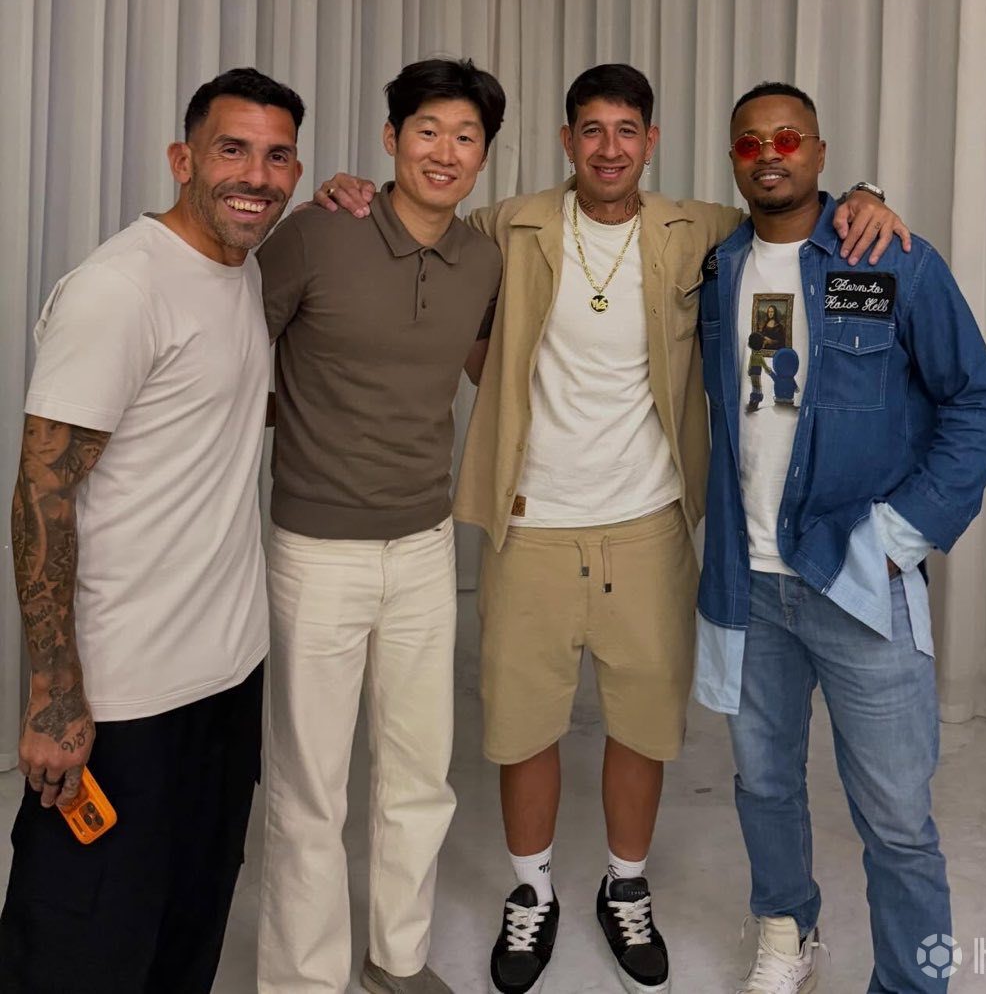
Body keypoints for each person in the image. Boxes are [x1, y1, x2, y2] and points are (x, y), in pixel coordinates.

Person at [316, 64, 908, 994]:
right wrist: (351, 193)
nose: (608, 148)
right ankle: (531, 890)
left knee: (642, 724)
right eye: (590, 130)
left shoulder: (695, 231)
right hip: (530, 524)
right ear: (566, 141)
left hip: (647, 525)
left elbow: (787, 212)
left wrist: (862, 196)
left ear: (651, 142)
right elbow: (417, 228)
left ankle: (624, 884)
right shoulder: (507, 225)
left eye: (626, 130)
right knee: (523, 727)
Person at [694, 82, 986, 994]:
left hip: (858, 579)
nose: (769, 154)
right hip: (747, 584)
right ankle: (788, 931)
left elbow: (975, 402)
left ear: (821, 153)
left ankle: (912, 980)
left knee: (897, 818)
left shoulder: (891, 260)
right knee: (763, 786)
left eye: (788, 138)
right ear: (732, 158)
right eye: (749, 142)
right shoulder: (716, 267)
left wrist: (899, 536)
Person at [0, 67, 305, 994]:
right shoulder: (120, 288)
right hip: (125, 693)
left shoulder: (241, 272)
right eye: (231, 150)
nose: (255, 176)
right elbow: (42, 493)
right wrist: (54, 693)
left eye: (278, 157)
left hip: (226, 675)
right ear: (182, 158)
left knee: (189, 926)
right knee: (82, 948)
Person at [255, 59, 506, 994]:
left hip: (426, 546)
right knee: (309, 789)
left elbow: (489, 367)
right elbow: (232, 357)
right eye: (427, 130)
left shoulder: (482, 258)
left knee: (417, 777)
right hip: (315, 552)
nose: (445, 151)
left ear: (483, 155)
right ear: (392, 138)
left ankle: (396, 961)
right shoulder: (317, 233)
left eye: (466, 137)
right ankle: (303, 981)